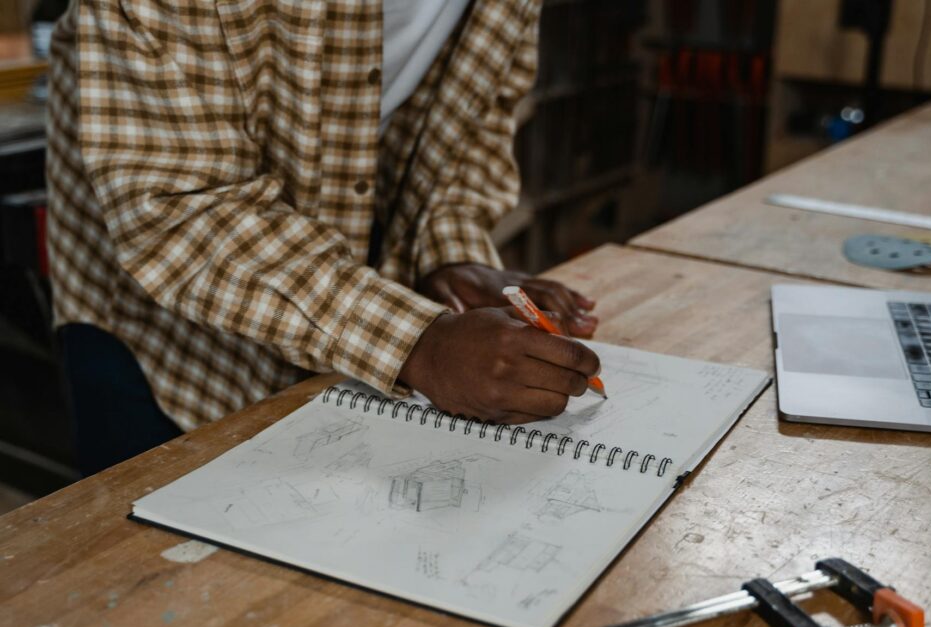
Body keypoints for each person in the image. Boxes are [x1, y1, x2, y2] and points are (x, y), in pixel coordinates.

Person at [45, 0, 602, 475]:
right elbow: (180, 204)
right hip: (158, 338)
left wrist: (447, 250)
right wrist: (418, 343)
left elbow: (474, 114)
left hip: (341, 307)